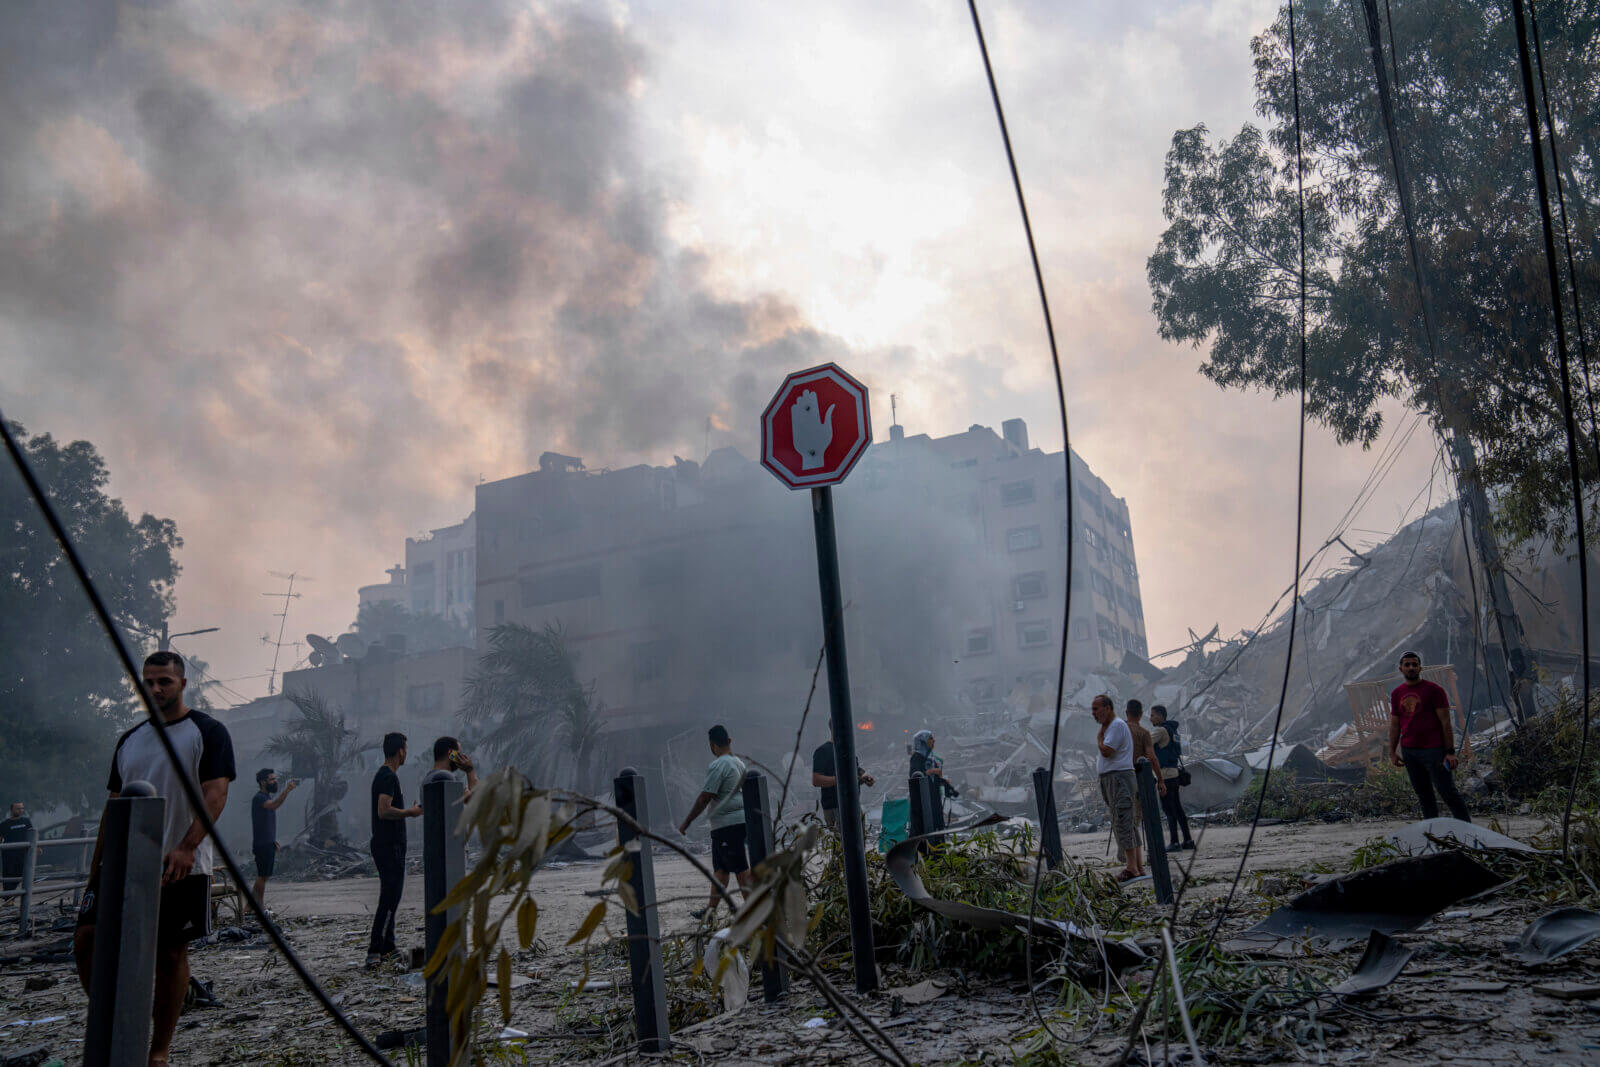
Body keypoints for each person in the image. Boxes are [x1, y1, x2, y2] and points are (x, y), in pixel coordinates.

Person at [74, 651, 236, 1067]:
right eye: (149, 681)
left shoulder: (207, 731)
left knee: (169, 955)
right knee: (87, 940)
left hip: (179, 862)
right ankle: (119, 1018)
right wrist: (96, 871)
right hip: (122, 865)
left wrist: (185, 846)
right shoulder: (130, 739)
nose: (156, 688)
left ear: (182, 683)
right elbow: (114, 806)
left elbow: (215, 796)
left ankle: (158, 1051)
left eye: (164, 680)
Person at [1389, 652, 1471, 822]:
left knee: (1447, 792)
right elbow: (1395, 724)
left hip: (1434, 750)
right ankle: (1432, 832)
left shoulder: (1434, 691)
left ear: (1420, 668)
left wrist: (1450, 752)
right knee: (1424, 795)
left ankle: (1467, 830)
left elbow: (1445, 723)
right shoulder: (1397, 693)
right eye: (1407, 665)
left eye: (1414, 664)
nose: (1411, 667)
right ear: (1401, 669)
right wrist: (1392, 751)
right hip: (1410, 751)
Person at [678, 725, 750, 919]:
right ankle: (710, 911)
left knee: (741, 869)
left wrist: (687, 822)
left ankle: (754, 912)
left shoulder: (719, 765)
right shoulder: (739, 763)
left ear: (711, 745)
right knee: (721, 869)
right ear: (729, 741)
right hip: (734, 823)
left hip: (728, 825)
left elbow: (705, 797)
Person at [368, 732, 422, 968]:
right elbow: (383, 810)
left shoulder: (386, 776)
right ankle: (375, 950)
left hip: (389, 845)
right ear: (400, 751)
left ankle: (388, 947)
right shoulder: (388, 777)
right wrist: (409, 813)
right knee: (389, 898)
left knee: (392, 897)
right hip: (389, 846)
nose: (407, 753)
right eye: (406, 749)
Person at [1092, 694, 1141, 881]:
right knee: (1127, 821)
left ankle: (1131, 868)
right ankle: (1137, 866)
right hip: (1113, 779)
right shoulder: (1113, 727)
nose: (1094, 713)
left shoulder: (1116, 726)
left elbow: (1106, 751)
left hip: (1118, 779)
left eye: (1096, 709)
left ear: (1108, 708)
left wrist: (1099, 738)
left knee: (1122, 820)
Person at [250, 768, 298, 904]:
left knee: (264, 876)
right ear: (263, 782)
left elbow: (265, 823)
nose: (275, 781)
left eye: (274, 779)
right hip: (262, 844)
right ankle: (257, 905)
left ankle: (250, 905)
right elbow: (275, 805)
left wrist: (272, 841)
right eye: (272, 779)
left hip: (267, 843)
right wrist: (287, 790)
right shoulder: (259, 798)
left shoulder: (266, 797)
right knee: (262, 876)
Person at [1150, 706, 1193, 851]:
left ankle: (1174, 842)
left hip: (1165, 776)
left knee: (1169, 810)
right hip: (1175, 773)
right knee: (1178, 809)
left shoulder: (1160, 730)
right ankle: (1188, 840)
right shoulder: (1173, 731)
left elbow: (1145, 744)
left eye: (1153, 715)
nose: (1151, 718)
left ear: (1161, 716)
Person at [812, 736, 874, 831]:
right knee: (842, 843)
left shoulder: (847, 748)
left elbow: (854, 770)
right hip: (835, 807)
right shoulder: (823, 751)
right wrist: (842, 780)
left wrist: (864, 777)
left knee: (859, 842)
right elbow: (816, 780)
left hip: (853, 805)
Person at [1124, 701, 1166, 800]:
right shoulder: (1143, 733)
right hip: (1139, 778)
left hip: (1120, 779)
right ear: (1141, 715)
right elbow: (1152, 758)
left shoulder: (1116, 730)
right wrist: (1161, 781)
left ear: (1126, 713)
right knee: (1141, 810)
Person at [429, 736, 479, 801]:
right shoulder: (445, 776)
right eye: (458, 753)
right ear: (450, 754)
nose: (460, 757)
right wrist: (470, 770)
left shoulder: (428, 778)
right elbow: (476, 801)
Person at [1, 802, 33, 894]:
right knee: (9, 877)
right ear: (12, 810)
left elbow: (32, 835)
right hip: (9, 856)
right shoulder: (4, 824)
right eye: (18, 808)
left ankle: (23, 896)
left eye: (22, 808)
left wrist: (37, 848)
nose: (20, 810)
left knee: (24, 875)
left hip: (23, 854)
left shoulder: (26, 821)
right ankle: (8, 898)